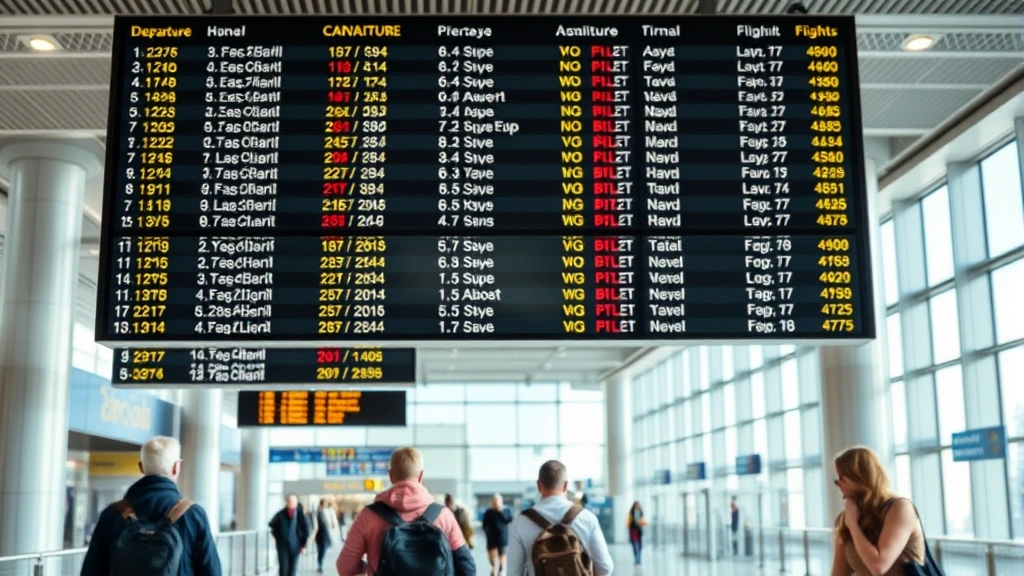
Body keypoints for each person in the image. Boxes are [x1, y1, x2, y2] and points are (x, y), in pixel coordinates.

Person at [80, 436, 221, 576]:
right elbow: (211, 571)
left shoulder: (112, 514)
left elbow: (91, 570)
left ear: (141, 467)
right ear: (175, 468)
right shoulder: (193, 515)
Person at [336, 447, 476, 576]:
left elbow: (345, 566)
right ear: (421, 476)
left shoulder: (368, 516)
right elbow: (467, 567)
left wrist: (373, 567)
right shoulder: (443, 515)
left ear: (390, 476)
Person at [830, 446, 927, 576]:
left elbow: (879, 566)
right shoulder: (845, 519)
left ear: (860, 478)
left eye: (843, 479)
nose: (839, 485)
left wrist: (853, 526)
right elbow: (839, 572)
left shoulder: (900, 508)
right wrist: (850, 522)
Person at [507, 460, 613, 576]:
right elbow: (605, 567)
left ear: (539, 485)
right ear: (566, 485)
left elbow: (513, 572)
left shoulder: (520, 523)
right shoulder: (586, 518)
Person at [270, 495, 311, 576]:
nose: (291, 503)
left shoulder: (300, 515)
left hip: (296, 546)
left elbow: (306, 530)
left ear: (296, 503)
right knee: (283, 569)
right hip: (282, 547)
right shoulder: (280, 514)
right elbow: (273, 526)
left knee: (292, 570)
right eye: (289, 501)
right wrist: (276, 537)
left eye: (292, 502)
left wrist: (304, 545)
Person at [482, 494, 514, 576]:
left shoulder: (506, 510)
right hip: (491, 535)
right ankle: (493, 567)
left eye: (497, 501)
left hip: (502, 535)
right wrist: (487, 531)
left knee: (502, 553)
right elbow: (485, 524)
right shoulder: (489, 512)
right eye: (494, 502)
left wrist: (500, 511)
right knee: (491, 553)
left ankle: (501, 569)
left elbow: (509, 519)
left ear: (501, 502)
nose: (495, 503)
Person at [314, 498, 338, 574]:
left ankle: (320, 564)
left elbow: (332, 523)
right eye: (324, 504)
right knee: (320, 550)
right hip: (319, 534)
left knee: (322, 550)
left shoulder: (328, 512)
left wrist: (332, 525)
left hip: (325, 534)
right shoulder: (317, 512)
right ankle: (319, 565)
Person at [627, 500, 646, 565]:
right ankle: (636, 558)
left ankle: (638, 559)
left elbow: (643, 522)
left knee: (639, 546)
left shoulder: (641, 513)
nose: (637, 506)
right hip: (633, 530)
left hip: (639, 531)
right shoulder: (631, 513)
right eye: (636, 505)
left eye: (638, 505)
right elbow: (629, 522)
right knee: (634, 545)